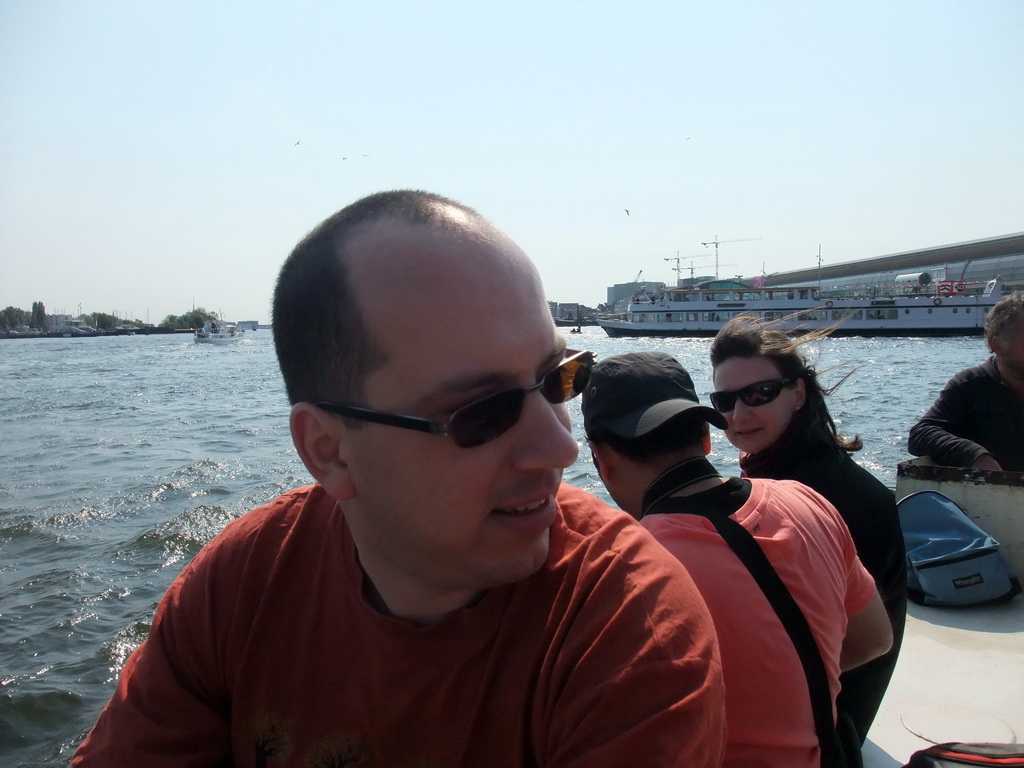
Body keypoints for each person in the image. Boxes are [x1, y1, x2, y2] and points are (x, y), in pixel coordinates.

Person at [72, 191, 726, 767]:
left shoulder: (626, 626)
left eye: (559, 380)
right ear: (328, 451)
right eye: (482, 413)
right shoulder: (238, 590)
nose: (559, 446)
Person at [582, 351, 893, 768]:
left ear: (601, 458)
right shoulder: (805, 501)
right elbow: (875, 638)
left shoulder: (626, 571)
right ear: (707, 437)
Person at [708, 317, 907, 745]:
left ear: (797, 394)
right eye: (724, 400)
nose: (739, 414)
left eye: (758, 394)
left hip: (830, 724)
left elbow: (860, 644)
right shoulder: (792, 468)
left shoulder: (823, 496)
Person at [908, 291, 1024, 472]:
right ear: (998, 345)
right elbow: (921, 434)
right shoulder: (970, 386)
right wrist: (975, 456)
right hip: (995, 496)